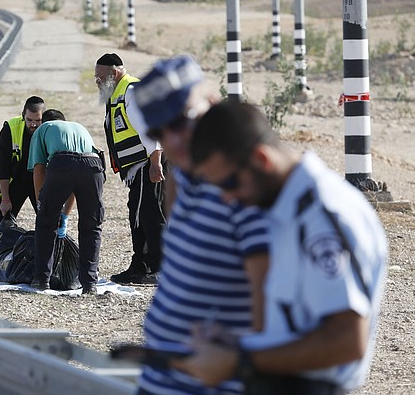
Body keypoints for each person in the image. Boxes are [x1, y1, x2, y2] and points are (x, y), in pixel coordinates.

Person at [180, 101, 387, 394]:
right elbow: (295, 325)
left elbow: (347, 341)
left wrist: (241, 359)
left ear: (262, 159)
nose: (228, 199)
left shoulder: (322, 216)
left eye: (229, 183)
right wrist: (236, 343)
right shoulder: (286, 208)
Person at [126, 55, 270, 394]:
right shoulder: (186, 176)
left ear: (214, 103)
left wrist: (239, 362)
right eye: (159, 132)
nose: (173, 141)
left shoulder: (255, 188)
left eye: (181, 122)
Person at [95, 53, 166, 284]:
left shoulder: (131, 91)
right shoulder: (116, 94)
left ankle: (161, 267)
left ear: (114, 73)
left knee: (152, 214)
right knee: (138, 214)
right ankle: (141, 265)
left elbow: (150, 130)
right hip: (138, 167)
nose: (97, 81)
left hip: (148, 163)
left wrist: (155, 163)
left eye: (100, 76)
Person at [28, 109, 105, 295]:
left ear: (44, 121)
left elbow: (39, 170)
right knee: (91, 226)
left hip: (62, 163)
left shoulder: (42, 129)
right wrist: (65, 215)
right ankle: (89, 283)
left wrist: (42, 206)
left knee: (46, 225)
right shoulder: (79, 127)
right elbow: (76, 178)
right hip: (94, 165)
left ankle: (42, 279)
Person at [0, 96, 46, 277]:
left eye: (37, 121)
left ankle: (50, 262)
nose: (33, 125)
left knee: (48, 218)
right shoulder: (10, 128)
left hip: (38, 179)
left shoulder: (49, 129)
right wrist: (6, 199)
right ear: (23, 116)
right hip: (14, 179)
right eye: (29, 120)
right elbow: (3, 167)